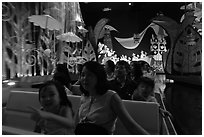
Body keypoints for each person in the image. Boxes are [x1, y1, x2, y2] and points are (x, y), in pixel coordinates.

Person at [75, 61, 149, 135]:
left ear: (98, 77)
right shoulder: (84, 96)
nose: (85, 78)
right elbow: (76, 123)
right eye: (83, 75)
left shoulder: (111, 97)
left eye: (89, 75)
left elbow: (131, 126)